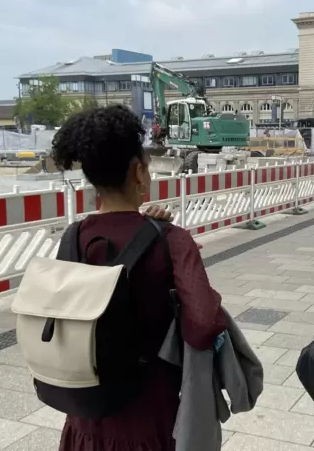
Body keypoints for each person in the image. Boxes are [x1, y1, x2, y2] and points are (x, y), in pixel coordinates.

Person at [50, 105, 226, 451]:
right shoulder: (171, 239)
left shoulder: (74, 237)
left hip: (86, 417)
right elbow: (204, 327)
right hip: (150, 420)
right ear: (138, 172)